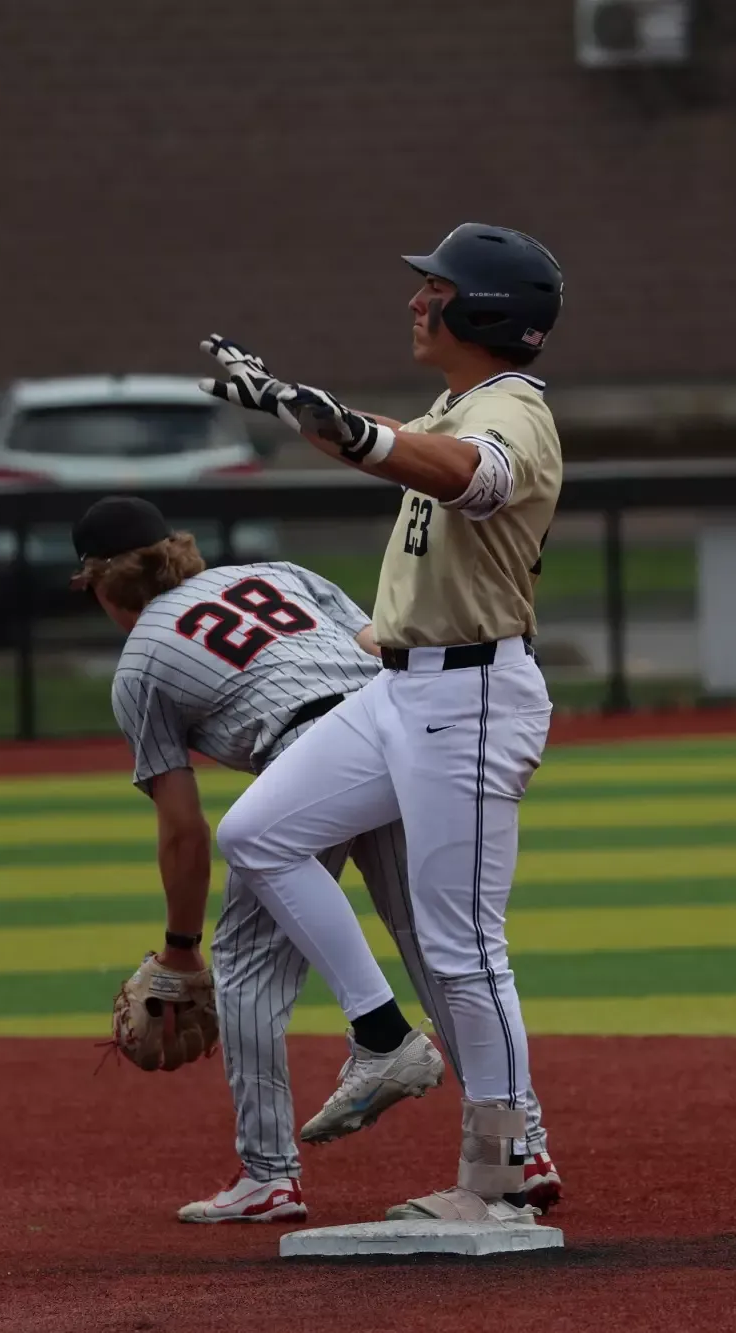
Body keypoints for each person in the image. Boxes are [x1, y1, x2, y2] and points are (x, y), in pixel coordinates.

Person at [198, 222, 563, 1224]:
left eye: (435, 287)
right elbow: (403, 455)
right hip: (400, 688)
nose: (416, 301)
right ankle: (382, 1035)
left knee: (462, 946)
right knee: (258, 834)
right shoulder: (460, 403)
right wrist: (289, 406)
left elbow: (468, 475)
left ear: (483, 310)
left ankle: (506, 1164)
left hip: (472, 694)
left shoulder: (511, 413)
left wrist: (356, 430)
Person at [73, 495, 561, 1224]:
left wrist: (181, 951)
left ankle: (270, 1175)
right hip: (398, 732)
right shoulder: (280, 573)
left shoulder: (139, 661)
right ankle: (521, 1144)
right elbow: (377, 642)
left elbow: (183, 829)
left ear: (103, 585)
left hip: (309, 758)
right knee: (442, 953)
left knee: (244, 962)